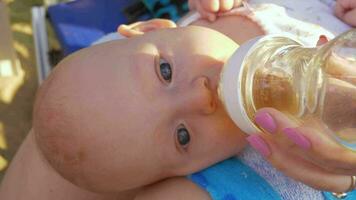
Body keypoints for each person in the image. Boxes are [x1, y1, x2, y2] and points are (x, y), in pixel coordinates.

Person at [0, 0, 355, 199]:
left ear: (154, 28)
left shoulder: (217, 14)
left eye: (166, 72)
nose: (201, 96)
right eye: (183, 135)